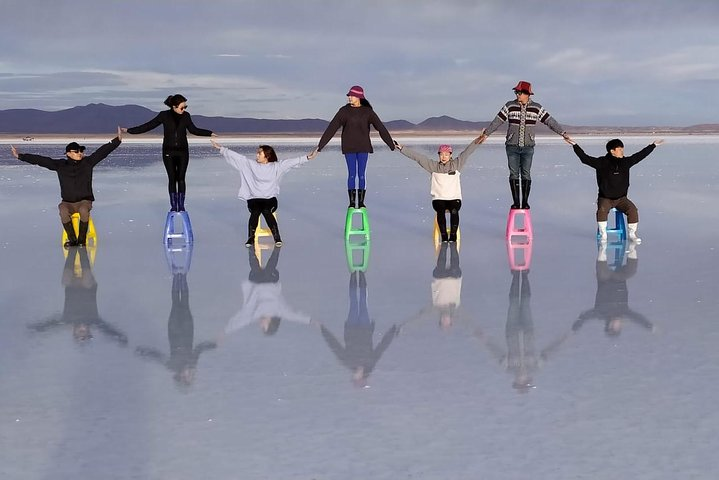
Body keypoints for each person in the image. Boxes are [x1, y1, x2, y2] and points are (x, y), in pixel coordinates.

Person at [11, 128, 122, 247]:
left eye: (81, 151)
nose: (80, 153)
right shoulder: (60, 165)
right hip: (67, 202)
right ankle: (73, 240)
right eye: (76, 151)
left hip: (84, 201)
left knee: (84, 210)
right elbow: (41, 160)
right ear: (68, 153)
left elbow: (102, 152)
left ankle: (82, 240)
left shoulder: (88, 163)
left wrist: (117, 140)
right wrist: (20, 156)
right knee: (63, 210)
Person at [477, 81, 568, 209]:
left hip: (528, 147)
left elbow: (550, 121)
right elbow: (497, 121)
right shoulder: (510, 106)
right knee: (514, 174)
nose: (517, 95)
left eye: (519, 93)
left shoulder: (536, 108)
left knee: (526, 173)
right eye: (516, 92)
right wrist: (486, 134)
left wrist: (563, 133)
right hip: (512, 146)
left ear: (527, 94)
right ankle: (516, 202)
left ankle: (525, 202)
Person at [211, 140, 318, 247]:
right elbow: (237, 157)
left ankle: (277, 238)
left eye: (259, 153)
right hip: (254, 199)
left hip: (270, 200)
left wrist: (308, 157)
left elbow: (292, 161)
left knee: (266, 211)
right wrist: (221, 148)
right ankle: (251, 238)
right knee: (255, 212)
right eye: (257, 152)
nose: (257, 155)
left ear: (266, 155)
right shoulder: (250, 165)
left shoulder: (276, 166)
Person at [122, 94, 215, 212]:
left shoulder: (186, 116)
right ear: (174, 106)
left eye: (185, 107)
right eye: (182, 107)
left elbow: (193, 130)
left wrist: (209, 133)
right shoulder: (164, 116)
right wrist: (130, 131)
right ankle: (173, 205)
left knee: (181, 178)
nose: (184, 109)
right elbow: (148, 126)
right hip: (168, 152)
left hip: (182, 152)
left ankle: (181, 205)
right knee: (172, 178)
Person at [564, 136, 664, 243]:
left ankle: (632, 234)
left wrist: (653, 145)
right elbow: (585, 158)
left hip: (621, 199)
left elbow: (639, 156)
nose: (622, 151)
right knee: (601, 211)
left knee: (633, 210)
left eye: (622, 149)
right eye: (619, 149)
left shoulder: (626, 162)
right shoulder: (602, 162)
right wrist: (574, 145)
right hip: (605, 198)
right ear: (612, 151)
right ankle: (603, 235)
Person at [317, 85, 395, 209]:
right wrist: (320, 146)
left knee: (362, 175)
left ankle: (362, 202)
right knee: (352, 174)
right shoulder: (343, 111)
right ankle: (352, 203)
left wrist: (391, 144)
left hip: (363, 147)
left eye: (352, 95)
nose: (349, 97)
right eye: (349, 95)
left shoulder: (367, 112)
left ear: (359, 96)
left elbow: (381, 128)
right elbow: (331, 128)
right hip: (349, 147)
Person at [395, 137, 481, 242]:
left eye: (446, 154)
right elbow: (418, 157)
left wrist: (480, 138)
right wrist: (401, 148)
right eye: (441, 154)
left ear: (450, 155)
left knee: (454, 211)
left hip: (454, 198)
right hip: (438, 199)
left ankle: (453, 235)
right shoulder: (433, 166)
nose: (443, 157)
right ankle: (444, 236)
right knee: (440, 211)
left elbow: (467, 151)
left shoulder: (456, 165)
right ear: (439, 155)